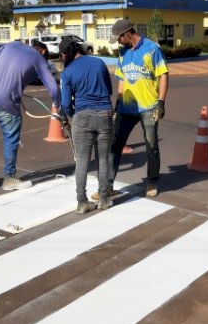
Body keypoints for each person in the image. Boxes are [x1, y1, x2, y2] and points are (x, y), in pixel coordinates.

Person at [0, 40, 61, 191]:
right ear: (43, 51)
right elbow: (53, 88)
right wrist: (59, 106)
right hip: (7, 102)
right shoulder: (39, 59)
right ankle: (9, 178)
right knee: (10, 139)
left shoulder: (11, 45)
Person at [104, 19, 169, 199]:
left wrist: (161, 102)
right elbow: (122, 79)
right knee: (115, 146)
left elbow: (163, 75)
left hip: (148, 107)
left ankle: (152, 181)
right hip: (126, 108)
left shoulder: (152, 49)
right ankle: (107, 186)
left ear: (127, 34)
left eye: (119, 38)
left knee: (151, 146)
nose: (118, 42)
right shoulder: (123, 52)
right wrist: (118, 101)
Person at [59, 37, 114, 214]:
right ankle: (104, 198)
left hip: (82, 116)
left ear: (66, 53)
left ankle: (82, 202)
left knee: (82, 161)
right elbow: (109, 89)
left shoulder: (67, 72)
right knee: (103, 159)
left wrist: (73, 116)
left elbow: (66, 104)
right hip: (105, 113)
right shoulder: (98, 62)